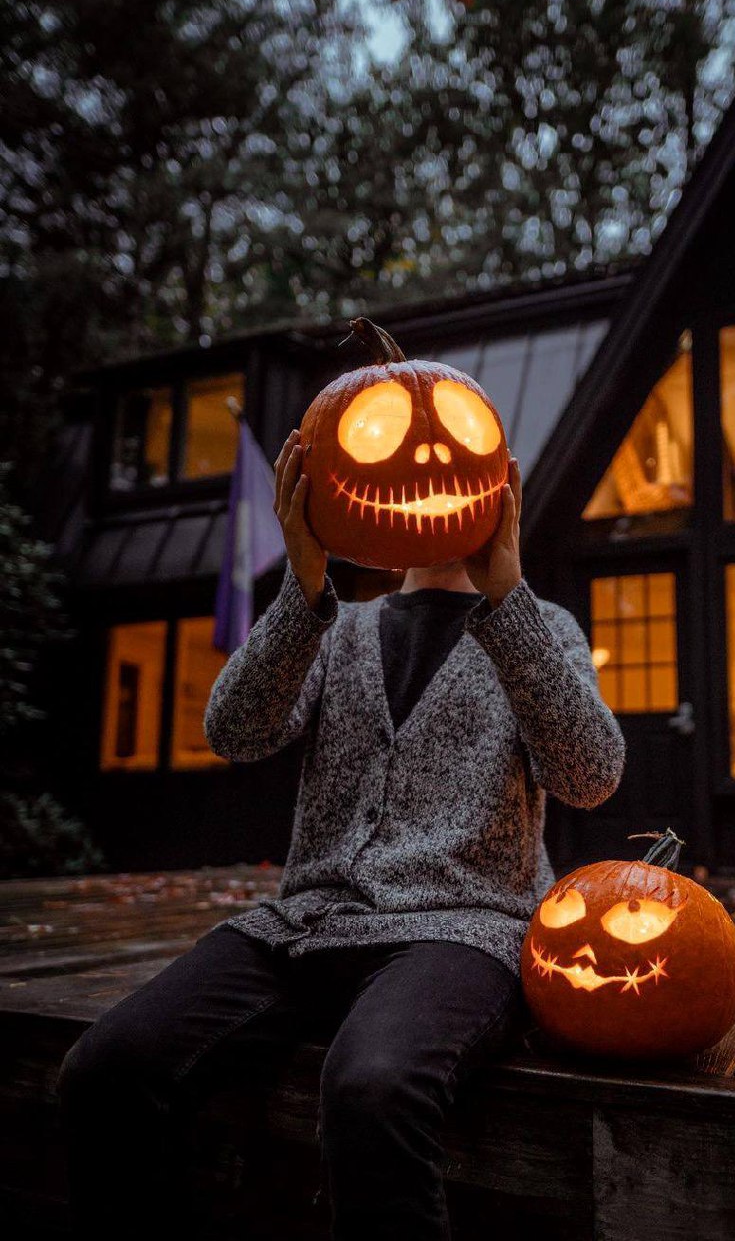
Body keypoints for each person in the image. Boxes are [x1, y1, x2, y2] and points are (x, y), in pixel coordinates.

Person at [55, 427, 627, 1240]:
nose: (423, 466)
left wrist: (507, 598)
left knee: (372, 1086)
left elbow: (591, 775)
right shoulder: (340, 626)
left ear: (498, 485)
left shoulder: (542, 627)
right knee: (106, 1066)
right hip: (302, 925)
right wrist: (302, 587)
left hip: (462, 928)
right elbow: (235, 730)